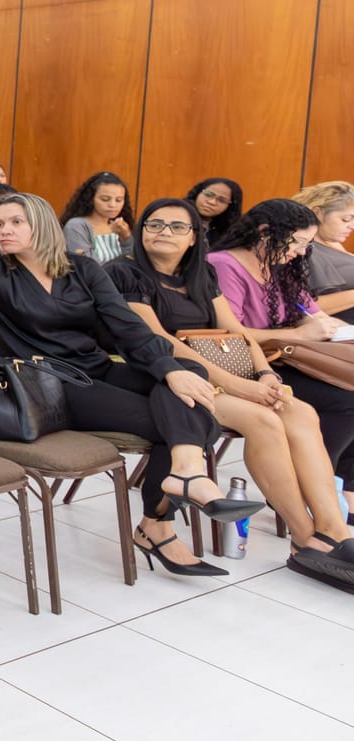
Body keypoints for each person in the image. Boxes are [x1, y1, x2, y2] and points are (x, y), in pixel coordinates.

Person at [0, 193, 258, 576]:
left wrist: (169, 368)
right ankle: (160, 521)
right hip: (44, 385)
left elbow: (125, 324)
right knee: (180, 420)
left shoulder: (82, 268)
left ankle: (184, 474)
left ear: (42, 224)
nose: (4, 230)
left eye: (16, 221)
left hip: (93, 369)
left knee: (187, 375)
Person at [111, 199, 354, 583]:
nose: (164, 232)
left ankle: (333, 529)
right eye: (155, 224)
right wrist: (239, 385)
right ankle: (304, 537)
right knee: (263, 419)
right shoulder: (124, 273)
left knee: (300, 411)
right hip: (162, 376)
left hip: (220, 373)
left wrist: (263, 374)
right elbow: (159, 342)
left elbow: (235, 331)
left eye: (177, 226)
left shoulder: (200, 273)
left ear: (194, 237)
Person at [209, 200, 354, 492]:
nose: (301, 252)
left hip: (285, 358)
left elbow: (314, 313)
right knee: (346, 402)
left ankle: (342, 488)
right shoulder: (224, 264)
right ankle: (314, 485)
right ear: (265, 232)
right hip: (250, 366)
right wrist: (300, 334)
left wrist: (329, 327)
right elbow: (231, 334)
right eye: (298, 242)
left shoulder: (280, 266)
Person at [296, 181, 354, 316]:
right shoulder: (303, 250)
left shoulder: (333, 243)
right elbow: (307, 307)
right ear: (318, 213)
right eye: (346, 219)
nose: (352, 226)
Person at [61, 170, 133, 263]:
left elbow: (133, 262)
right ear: (91, 199)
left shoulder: (120, 227)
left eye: (119, 200)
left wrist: (126, 238)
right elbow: (87, 267)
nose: (112, 205)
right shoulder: (77, 226)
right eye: (105, 199)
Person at [187, 177, 245, 249]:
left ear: (230, 207)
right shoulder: (176, 215)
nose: (212, 202)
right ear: (197, 193)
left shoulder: (228, 233)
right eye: (208, 194)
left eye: (222, 200)